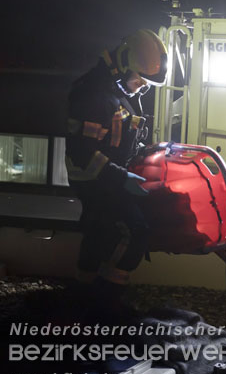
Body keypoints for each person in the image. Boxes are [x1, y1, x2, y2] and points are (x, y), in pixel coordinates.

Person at [64, 29, 168, 311]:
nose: (141, 87)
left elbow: (117, 135)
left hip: (107, 176)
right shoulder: (95, 96)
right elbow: (83, 152)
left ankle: (87, 295)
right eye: (139, 80)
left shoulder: (113, 89)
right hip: (94, 179)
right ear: (123, 66)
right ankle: (106, 297)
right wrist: (122, 178)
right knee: (135, 231)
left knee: (101, 233)